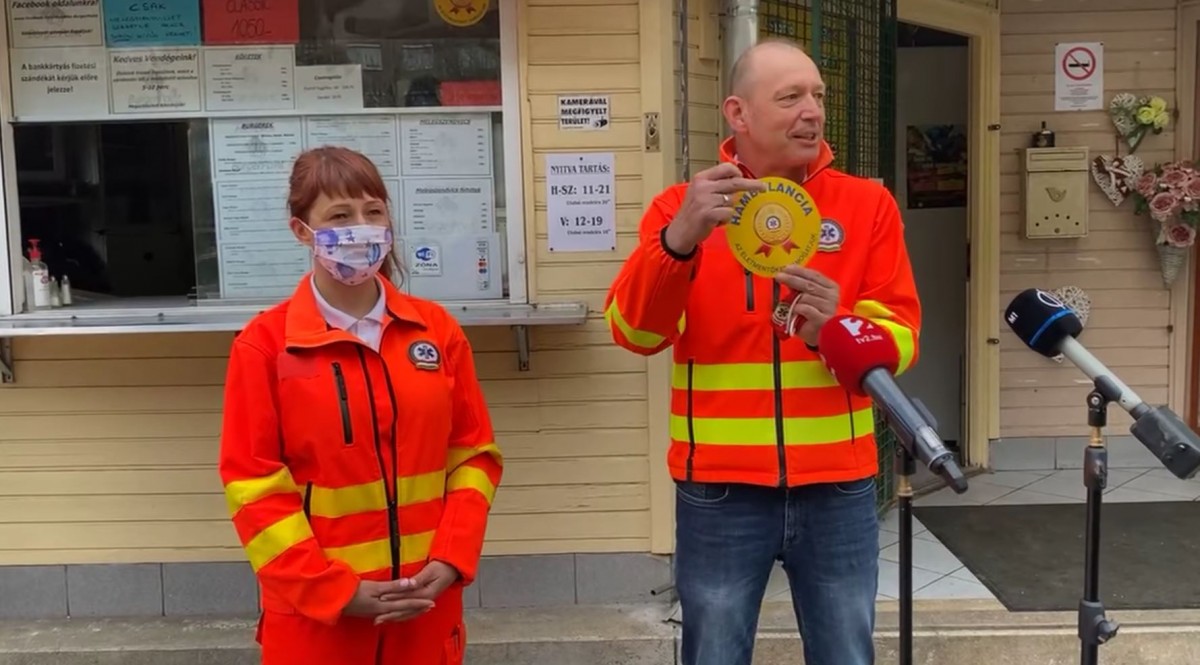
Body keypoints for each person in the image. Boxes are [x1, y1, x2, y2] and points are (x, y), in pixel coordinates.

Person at [604, 38, 921, 665]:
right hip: (719, 490)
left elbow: (902, 338)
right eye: (790, 97)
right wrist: (678, 242)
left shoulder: (867, 205)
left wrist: (836, 328)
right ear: (738, 113)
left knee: (846, 654)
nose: (812, 111)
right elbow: (635, 333)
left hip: (838, 484)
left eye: (818, 96)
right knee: (715, 654)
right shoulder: (679, 209)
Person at [217, 146, 503, 665]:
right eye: (340, 216)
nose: (361, 229)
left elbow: (473, 456)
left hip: (425, 608)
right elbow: (252, 486)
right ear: (302, 231)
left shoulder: (436, 332)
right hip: (318, 623)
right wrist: (332, 590)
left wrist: (451, 558)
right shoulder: (265, 346)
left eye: (373, 212)